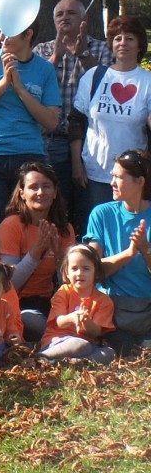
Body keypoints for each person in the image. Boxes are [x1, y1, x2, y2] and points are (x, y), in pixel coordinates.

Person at [0, 18, 59, 230]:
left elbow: (51, 121)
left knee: (27, 229)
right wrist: (3, 83)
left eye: (10, 31)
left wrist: (20, 90)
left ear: (28, 35)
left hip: (29, 157)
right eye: (1, 30)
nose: (2, 36)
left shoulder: (44, 69)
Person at [70, 16, 151, 233]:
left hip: (133, 176)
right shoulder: (93, 76)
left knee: (128, 232)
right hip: (94, 173)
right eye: (117, 38)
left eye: (130, 38)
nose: (122, 42)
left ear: (139, 45)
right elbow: (76, 121)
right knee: (97, 232)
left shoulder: (147, 82)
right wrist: (77, 164)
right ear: (111, 44)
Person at [34, 0, 112, 221]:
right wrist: (56, 57)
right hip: (52, 140)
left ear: (84, 19)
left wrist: (83, 55)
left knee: (89, 209)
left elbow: (108, 85)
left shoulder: (102, 48)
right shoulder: (41, 49)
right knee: (56, 209)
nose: (65, 17)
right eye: (60, 14)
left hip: (91, 141)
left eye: (71, 13)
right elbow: (32, 87)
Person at [0, 162, 75, 341]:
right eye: (33, 187)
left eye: (46, 186)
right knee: (31, 320)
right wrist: (35, 253)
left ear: (55, 192)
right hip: (16, 303)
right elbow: (8, 284)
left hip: (50, 301)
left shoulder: (65, 229)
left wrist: (59, 259)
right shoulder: (12, 225)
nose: (40, 192)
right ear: (22, 194)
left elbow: (71, 284)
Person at [83, 149, 151, 355]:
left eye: (119, 177)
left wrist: (145, 249)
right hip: (112, 308)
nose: (112, 182)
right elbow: (93, 269)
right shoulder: (102, 213)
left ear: (140, 181)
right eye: (112, 176)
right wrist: (129, 253)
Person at [38, 245, 115, 364]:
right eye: (74, 268)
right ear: (66, 272)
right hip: (57, 342)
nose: (79, 273)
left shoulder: (104, 301)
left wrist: (86, 321)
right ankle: (42, 357)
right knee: (79, 344)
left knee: (109, 353)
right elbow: (59, 321)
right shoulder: (63, 292)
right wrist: (72, 318)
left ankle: (75, 363)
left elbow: (96, 333)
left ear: (96, 272)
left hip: (88, 346)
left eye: (86, 268)